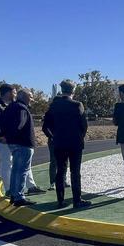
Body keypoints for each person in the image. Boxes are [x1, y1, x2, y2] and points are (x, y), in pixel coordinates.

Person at [42, 80, 90, 208]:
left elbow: (45, 126)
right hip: (75, 143)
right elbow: (84, 125)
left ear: (61, 90)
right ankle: (77, 200)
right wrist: (80, 136)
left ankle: (60, 200)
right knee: (75, 172)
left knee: (60, 171)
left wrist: (52, 137)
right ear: (73, 91)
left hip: (59, 143)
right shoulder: (77, 105)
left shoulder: (54, 105)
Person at [1, 89, 38, 206]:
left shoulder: (10, 107)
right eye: (31, 97)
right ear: (25, 97)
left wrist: (9, 137)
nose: (32, 99)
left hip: (13, 143)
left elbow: (3, 123)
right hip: (23, 144)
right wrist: (17, 136)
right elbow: (20, 125)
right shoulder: (22, 108)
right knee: (22, 171)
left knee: (16, 170)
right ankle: (19, 197)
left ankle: (14, 194)